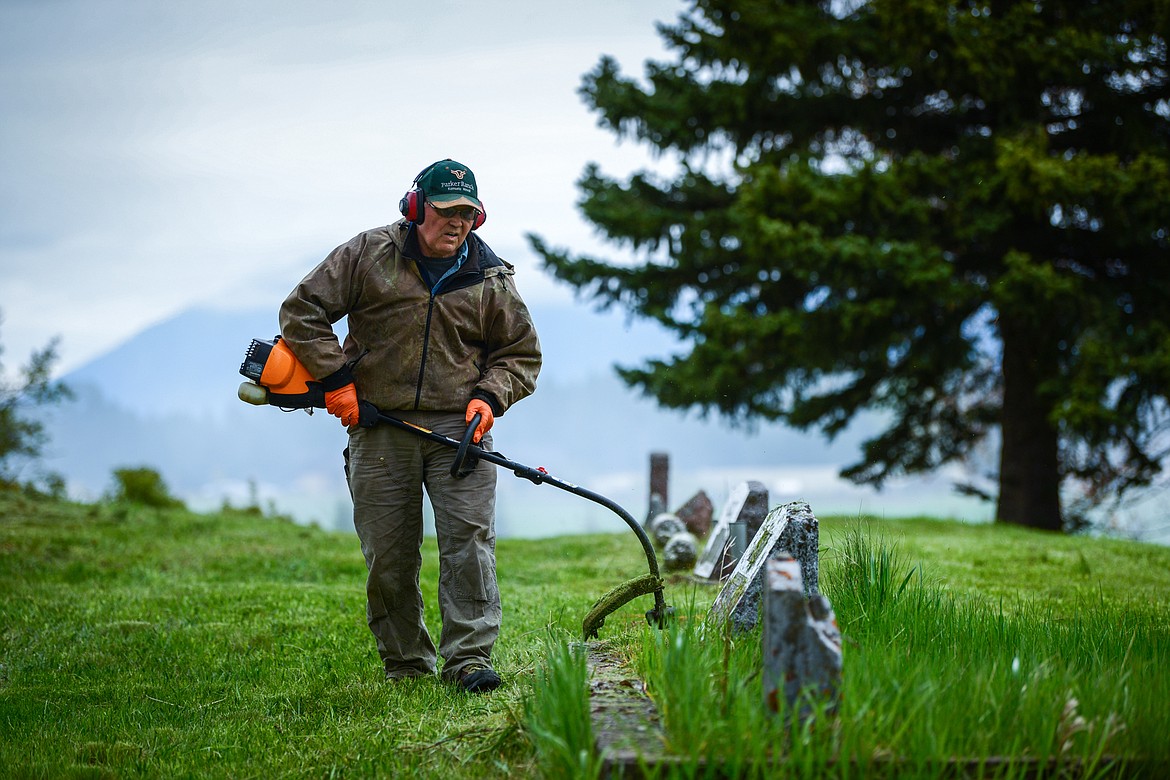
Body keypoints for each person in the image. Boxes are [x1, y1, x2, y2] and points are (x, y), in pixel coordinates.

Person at [278, 159, 542, 692]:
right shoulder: (366, 255)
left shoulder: (492, 277)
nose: (458, 224)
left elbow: (520, 355)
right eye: (447, 212)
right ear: (416, 207)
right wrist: (336, 381)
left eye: (469, 214)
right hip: (378, 426)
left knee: (469, 546)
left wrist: (490, 398)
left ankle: (468, 660)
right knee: (389, 556)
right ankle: (406, 665)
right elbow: (302, 310)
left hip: (460, 433)